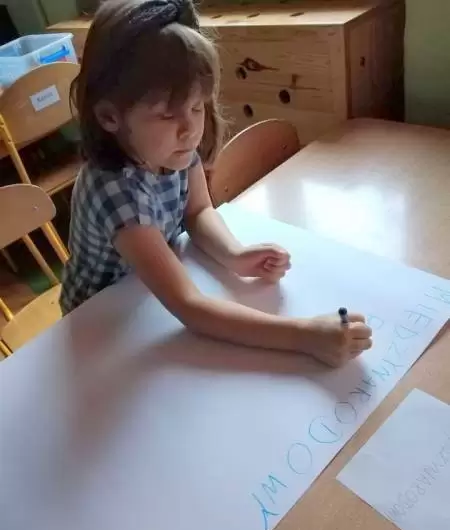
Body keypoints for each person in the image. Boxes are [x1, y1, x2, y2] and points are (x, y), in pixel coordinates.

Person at [60, 0, 372, 367]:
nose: (190, 128)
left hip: (146, 293)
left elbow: (197, 211)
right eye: (167, 114)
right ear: (109, 116)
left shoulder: (170, 147)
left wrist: (233, 255)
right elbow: (189, 306)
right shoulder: (115, 190)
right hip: (100, 324)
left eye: (196, 107)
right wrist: (304, 335)